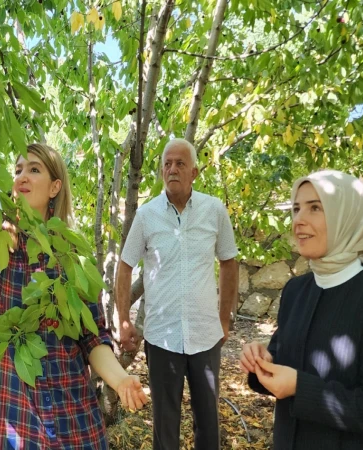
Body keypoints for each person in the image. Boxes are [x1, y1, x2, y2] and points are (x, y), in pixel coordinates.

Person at [0, 141, 148, 449]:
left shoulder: (72, 256)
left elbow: (93, 338)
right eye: (17, 170)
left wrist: (120, 380)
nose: (22, 176)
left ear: (55, 186)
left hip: (67, 414)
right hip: (5, 415)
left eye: (34, 169)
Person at [116, 138, 239, 450]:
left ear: (194, 172)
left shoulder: (214, 210)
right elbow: (125, 266)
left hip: (205, 336)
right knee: (165, 429)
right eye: (167, 164)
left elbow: (229, 262)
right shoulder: (146, 215)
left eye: (180, 163)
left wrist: (224, 319)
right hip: (162, 338)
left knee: (208, 427)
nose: (172, 169)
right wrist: (123, 321)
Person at [240, 170, 363, 450]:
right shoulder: (295, 291)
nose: (298, 220)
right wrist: (261, 361)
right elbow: (282, 360)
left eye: (315, 207)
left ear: (347, 216)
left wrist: (301, 389)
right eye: (296, 208)